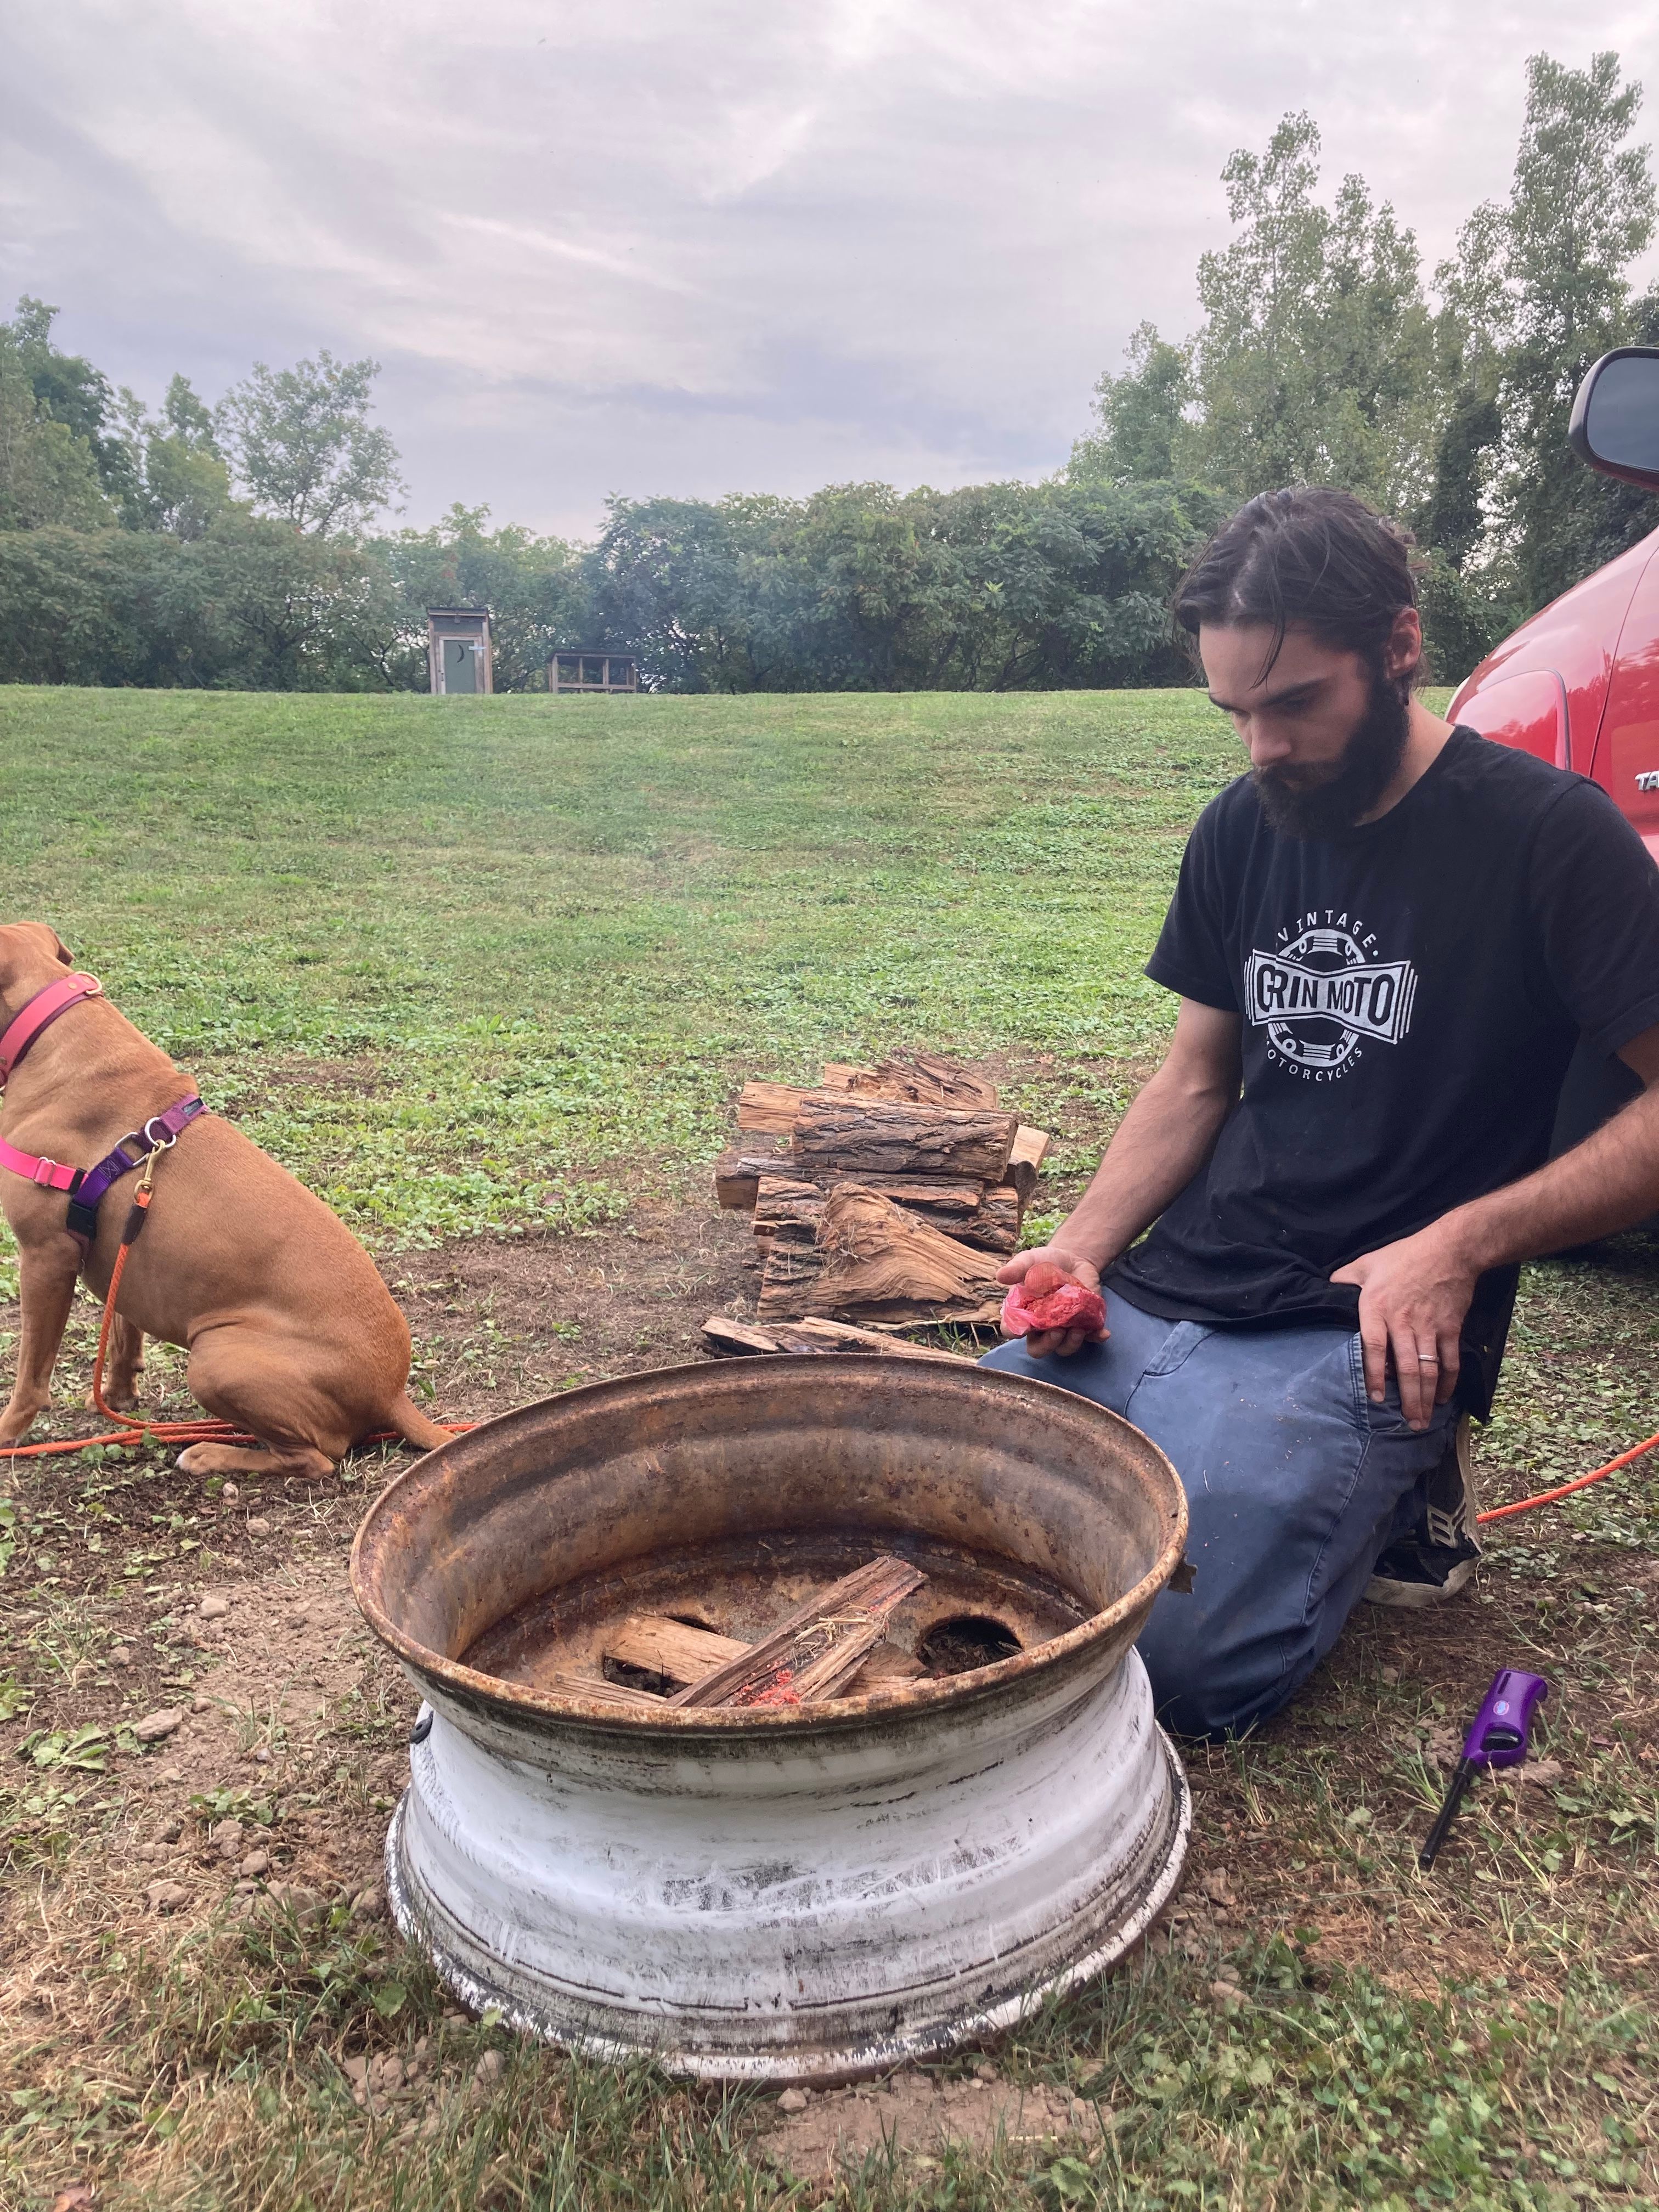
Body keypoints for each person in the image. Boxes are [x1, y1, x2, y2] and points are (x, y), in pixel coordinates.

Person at [983, 487, 1659, 1740]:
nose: (1261, 746)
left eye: (1294, 703)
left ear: (1398, 646)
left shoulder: (1548, 837)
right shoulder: (1244, 827)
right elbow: (1196, 1081)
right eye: (1235, 710)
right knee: (944, 1509)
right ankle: (1229, 1445)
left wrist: (1458, 1246)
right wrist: (1081, 1248)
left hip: (1363, 1315)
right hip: (1181, 1277)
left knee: (1173, 1664)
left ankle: (1408, 1489)